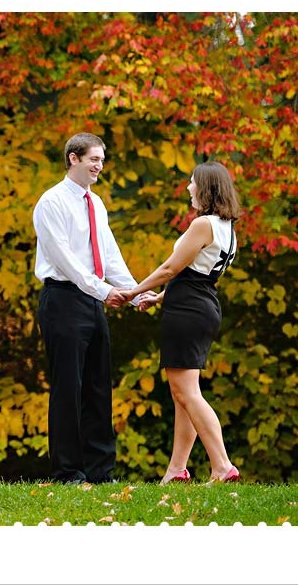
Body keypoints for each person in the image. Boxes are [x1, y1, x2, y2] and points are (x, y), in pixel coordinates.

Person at [33, 132, 149, 485]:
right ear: (73, 158)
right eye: (93, 159)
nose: (99, 166)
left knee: (99, 386)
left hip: (92, 300)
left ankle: (101, 472)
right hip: (63, 299)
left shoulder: (95, 203)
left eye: (101, 160)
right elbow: (65, 260)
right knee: (69, 387)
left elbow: (109, 255)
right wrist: (104, 292)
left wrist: (136, 292)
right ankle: (67, 471)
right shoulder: (50, 203)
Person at [118, 161, 242, 484]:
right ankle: (176, 470)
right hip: (200, 306)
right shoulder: (227, 229)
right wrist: (160, 298)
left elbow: (170, 269)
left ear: (207, 189)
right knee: (184, 392)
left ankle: (222, 465)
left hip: (188, 312)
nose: (189, 188)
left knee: (186, 392)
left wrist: (134, 290)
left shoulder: (203, 224)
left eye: (192, 183)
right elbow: (198, 276)